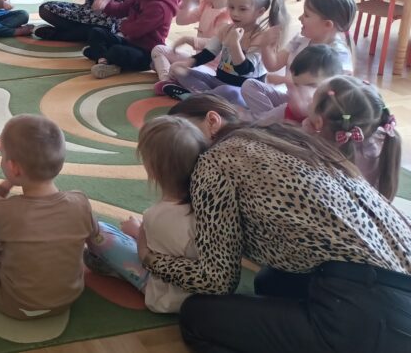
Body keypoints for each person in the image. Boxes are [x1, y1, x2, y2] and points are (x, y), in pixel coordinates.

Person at [144, 117, 411, 353]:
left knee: (196, 316)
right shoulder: (272, 137)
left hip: (370, 313)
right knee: (269, 281)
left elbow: (217, 281)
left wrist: (151, 259)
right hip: (392, 288)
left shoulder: (211, 166)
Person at [0, 114, 97, 319]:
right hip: (67, 299)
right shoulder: (80, 202)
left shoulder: (4, 210)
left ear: (13, 167)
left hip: (15, 304)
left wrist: (0, 190)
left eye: (2, 154)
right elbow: (94, 236)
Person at [86, 116, 205, 313]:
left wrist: (138, 231)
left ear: (153, 170)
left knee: (100, 232)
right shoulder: (212, 205)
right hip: (205, 292)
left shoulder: (156, 216)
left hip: (165, 296)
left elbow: (148, 257)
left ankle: (114, 270)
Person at [162, 0, 288, 105]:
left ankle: (195, 97)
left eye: (242, 9)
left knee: (227, 91)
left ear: (260, 11)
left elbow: (244, 69)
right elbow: (209, 53)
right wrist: (189, 62)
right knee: (176, 68)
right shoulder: (226, 29)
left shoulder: (260, 37)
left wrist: (234, 44)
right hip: (218, 81)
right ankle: (203, 98)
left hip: (242, 92)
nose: (235, 13)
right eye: (231, 7)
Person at [241, 0, 356, 116]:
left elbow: (332, 90)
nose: (300, 18)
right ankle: (274, 119)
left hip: (313, 109)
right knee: (249, 85)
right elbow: (273, 65)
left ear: (327, 25)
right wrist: (266, 46)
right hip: (290, 100)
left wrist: (287, 81)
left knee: (266, 117)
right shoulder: (300, 40)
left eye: (306, 15)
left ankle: (271, 120)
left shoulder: (339, 54)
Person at [152, 0, 245, 95]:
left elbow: (217, 46)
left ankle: (198, 92)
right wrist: (188, 2)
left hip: (214, 70)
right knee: (158, 50)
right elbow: (181, 21)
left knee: (179, 69)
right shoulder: (206, 5)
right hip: (196, 60)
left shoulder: (227, 17)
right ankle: (166, 80)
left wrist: (191, 40)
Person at [85, 0, 184, 78]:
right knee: (96, 32)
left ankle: (104, 57)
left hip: (146, 54)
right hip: (130, 42)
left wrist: (122, 25)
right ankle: (104, 59)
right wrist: (107, 5)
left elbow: (136, 30)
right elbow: (122, 8)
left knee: (117, 51)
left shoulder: (160, 7)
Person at [305, 75, 402, 201]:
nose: (309, 103)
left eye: (312, 101)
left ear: (319, 122)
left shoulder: (319, 155)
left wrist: (307, 137)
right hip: (375, 209)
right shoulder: (383, 142)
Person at [257, 44, 344, 126]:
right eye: (296, 85)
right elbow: (261, 123)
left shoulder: (335, 112)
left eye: (311, 86)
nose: (302, 92)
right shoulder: (288, 108)